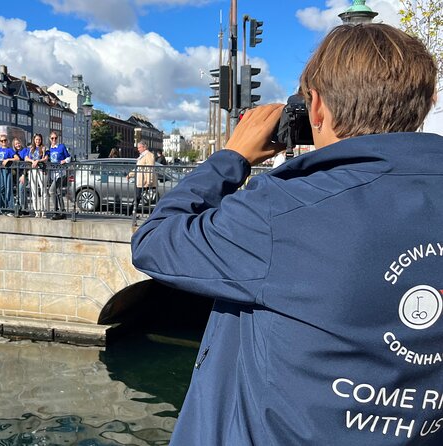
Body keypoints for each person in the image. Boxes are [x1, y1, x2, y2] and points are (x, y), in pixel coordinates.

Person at [131, 23, 441, 445]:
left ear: (314, 109)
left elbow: (156, 240)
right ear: (425, 105)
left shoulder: (282, 211)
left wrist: (232, 156)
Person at [0, 133, 18, 215]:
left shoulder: (10, 149)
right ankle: (2, 208)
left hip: (7, 170)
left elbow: (17, 158)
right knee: (1, 189)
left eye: (5, 140)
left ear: (7, 141)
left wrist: (8, 159)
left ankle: (10, 209)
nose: (3, 142)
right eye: (2, 141)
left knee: (8, 189)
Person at [127, 140, 155, 216]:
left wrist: (149, 181)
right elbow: (138, 168)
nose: (138, 149)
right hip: (139, 180)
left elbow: (150, 169)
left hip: (144, 181)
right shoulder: (142, 155)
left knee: (138, 197)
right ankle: (131, 213)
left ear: (144, 147)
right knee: (137, 197)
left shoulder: (149, 155)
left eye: (139, 147)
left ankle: (131, 213)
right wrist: (130, 174)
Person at [47, 132, 70, 220]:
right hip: (53, 173)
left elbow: (68, 157)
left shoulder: (61, 147)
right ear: (50, 139)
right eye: (52, 138)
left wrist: (65, 161)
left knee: (51, 191)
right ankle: (63, 211)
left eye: (55, 138)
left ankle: (56, 211)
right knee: (58, 192)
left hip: (60, 173)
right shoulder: (49, 149)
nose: (54, 140)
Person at [25, 133, 49, 218]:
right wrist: (32, 161)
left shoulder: (43, 148)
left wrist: (37, 161)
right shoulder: (31, 148)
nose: (37, 141)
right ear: (34, 140)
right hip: (32, 171)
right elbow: (26, 158)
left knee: (43, 190)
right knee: (34, 191)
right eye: (36, 139)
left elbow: (45, 159)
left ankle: (43, 211)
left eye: (39, 139)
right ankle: (36, 211)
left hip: (41, 170)